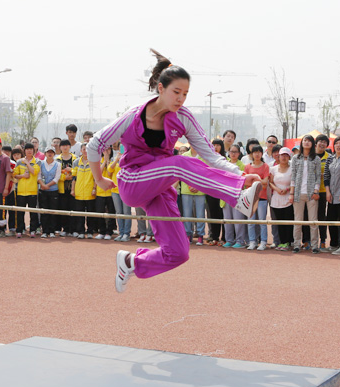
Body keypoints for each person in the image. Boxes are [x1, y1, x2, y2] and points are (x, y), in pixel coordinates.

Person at [86, 49, 261, 292]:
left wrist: (240, 175)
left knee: (178, 252)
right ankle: (237, 198)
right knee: (179, 163)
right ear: (160, 88)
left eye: (185, 94)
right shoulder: (133, 116)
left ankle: (131, 262)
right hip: (133, 180)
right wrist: (99, 178)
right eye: (176, 92)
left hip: (160, 187)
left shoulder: (184, 117)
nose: (181, 99)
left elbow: (210, 155)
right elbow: (95, 144)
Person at [289, 136, 321, 253]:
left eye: (309, 141)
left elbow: (318, 177)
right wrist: (291, 193)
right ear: (301, 143)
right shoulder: (295, 158)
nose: (307, 143)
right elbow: (293, 176)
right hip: (297, 193)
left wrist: (316, 191)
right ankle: (297, 244)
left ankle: (314, 245)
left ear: (313, 144)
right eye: (305, 141)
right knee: (298, 221)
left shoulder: (316, 159)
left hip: (311, 194)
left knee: (313, 221)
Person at [180, 146, 208, 245]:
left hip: (200, 190)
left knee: (200, 214)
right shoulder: (184, 156)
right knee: (187, 214)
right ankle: (188, 234)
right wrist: (189, 185)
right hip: (186, 190)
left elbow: (204, 173)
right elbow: (182, 173)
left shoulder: (203, 156)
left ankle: (200, 235)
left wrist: (197, 185)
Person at [12, 143, 41, 238]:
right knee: (20, 212)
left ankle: (33, 230)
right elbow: (15, 175)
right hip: (20, 191)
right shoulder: (19, 162)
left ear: (34, 150)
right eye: (27, 149)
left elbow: (34, 172)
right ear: (24, 151)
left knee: (33, 213)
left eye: (31, 149)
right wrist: (22, 176)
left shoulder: (37, 161)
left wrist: (27, 163)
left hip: (32, 191)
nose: (29, 151)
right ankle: (20, 230)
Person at [268, 146, 293, 250]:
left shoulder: (292, 169)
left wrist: (287, 190)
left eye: (286, 155)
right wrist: (277, 189)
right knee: (279, 222)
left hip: (288, 198)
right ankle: (281, 242)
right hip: (276, 199)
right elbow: (270, 182)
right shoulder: (273, 169)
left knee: (288, 221)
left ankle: (288, 242)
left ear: (289, 157)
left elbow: (293, 182)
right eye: (282, 155)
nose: (284, 157)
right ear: (278, 156)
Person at [222, 144, 247, 248]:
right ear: (228, 152)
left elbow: (243, 181)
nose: (233, 154)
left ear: (239, 153)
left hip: (237, 196)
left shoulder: (242, 165)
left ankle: (240, 241)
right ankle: (229, 240)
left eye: (235, 152)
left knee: (238, 219)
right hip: (226, 195)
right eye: (231, 151)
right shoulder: (224, 164)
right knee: (227, 219)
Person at [108, 143, 131, 242]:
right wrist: (117, 159)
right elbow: (109, 171)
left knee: (126, 212)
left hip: (126, 190)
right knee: (119, 212)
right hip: (115, 190)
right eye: (120, 147)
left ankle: (126, 233)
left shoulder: (130, 158)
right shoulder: (115, 158)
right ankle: (121, 232)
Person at [205, 139, 226, 245]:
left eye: (218, 145)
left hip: (222, 191)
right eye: (213, 145)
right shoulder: (208, 159)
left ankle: (224, 237)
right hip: (210, 190)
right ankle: (214, 237)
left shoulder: (225, 160)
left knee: (223, 214)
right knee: (213, 214)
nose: (216, 147)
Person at [38, 146, 61, 238]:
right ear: (45, 153)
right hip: (42, 191)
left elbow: (57, 178)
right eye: (48, 152)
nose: (50, 154)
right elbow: (38, 176)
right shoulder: (41, 163)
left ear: (54, 154)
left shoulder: (58, 164)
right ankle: (45, 231)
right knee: (44, 211)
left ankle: (52, 231)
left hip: (53, 191)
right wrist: (43, 185)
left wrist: (47, 186)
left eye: (52, 152)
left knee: (52, 211)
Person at [94, 146, 116, 240]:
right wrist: (104, 161)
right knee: (100, 212)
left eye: (108, 150)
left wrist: (108, 161)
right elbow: (98, 173)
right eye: (104, 150)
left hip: (111, 192)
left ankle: (109, 232)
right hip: (100, 191)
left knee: (111, 213)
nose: (106, 152)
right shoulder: (98, 160)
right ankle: (102, 231)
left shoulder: (114, 160)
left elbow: (110, 173)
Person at [56, 139, 76, 236]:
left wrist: (71, 171)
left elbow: (78, 171)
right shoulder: (57, 159)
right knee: (63, 208)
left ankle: (72, 229)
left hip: (73, 188)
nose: (65, 147)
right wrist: (65, 177)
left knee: (73, 208)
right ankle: (65, 229)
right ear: (60, 147)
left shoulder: (75, 159)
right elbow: (55, 174)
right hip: (62, 188)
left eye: (67, 145)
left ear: (70, 147)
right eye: (63, 145)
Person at [315, 135, 331, 250]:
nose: (322, 144)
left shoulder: (329, 157)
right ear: (316, 143)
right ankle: (308, 240)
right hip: (311, 191)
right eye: (320, 141)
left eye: (325, 142)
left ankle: (323, 240)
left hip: (324, 191)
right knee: (308, 216)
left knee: (321, 216)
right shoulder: (310, 156)